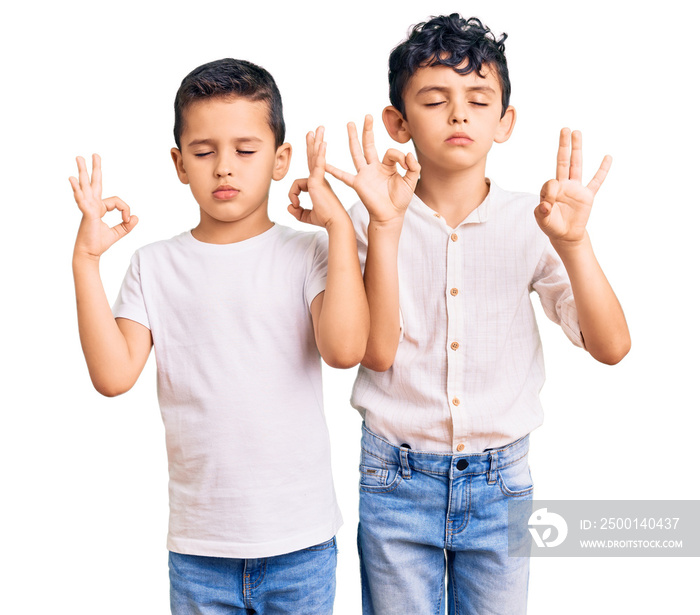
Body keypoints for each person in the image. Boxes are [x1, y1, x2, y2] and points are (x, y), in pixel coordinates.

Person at [325, 14, 631, 615]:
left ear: (505, 122)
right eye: (435, 100)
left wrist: (574, 245)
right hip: (395, 477)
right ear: (398, 122)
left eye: (478, 99)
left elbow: (612, 345)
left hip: (502, 483)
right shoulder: (367, 221)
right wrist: (374, 228)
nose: (458, 114)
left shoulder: (537, 219)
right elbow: (372, 352)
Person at [69, 58, 369, 614]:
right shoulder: (154, 266)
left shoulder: (309, 253)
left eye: (245, 151)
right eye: (205, 153)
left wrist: (339, 227)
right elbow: (113, 377)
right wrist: (86, 261)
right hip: (200, 548)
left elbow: (346, 350)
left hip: (299, 541)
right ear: (180, 164)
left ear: (281, 160)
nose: (224, 168)